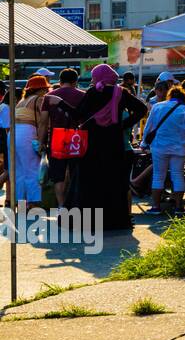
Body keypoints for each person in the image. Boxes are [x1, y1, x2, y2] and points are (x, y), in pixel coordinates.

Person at [63, 65, 147, 231]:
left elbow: (77, 115)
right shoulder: (121, 93)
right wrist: (121, 126)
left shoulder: (94, 92)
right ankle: (114, 221)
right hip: (114, 144)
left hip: (93, 144)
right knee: (114, 182)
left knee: (90, 182)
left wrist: (59, 103)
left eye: (94, 76)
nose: (93, 79)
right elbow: (142, 109)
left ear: (99, 77)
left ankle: (88, 222)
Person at [141, 85, 185, 215]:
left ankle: (156, 207)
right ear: (183, 98)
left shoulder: (157, 107)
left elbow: (148, 127)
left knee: (158, 176)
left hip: (159, 147)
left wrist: (144, 143)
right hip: (179, 147)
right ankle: (179, 207)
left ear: (170, 96)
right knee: (178, 175)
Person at [43, 68, 86, 209]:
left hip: (56, 138)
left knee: (58, 175)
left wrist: (41, 141)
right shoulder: (83, 95)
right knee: (76, 172)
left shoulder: (49, 96)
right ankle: (75, 205)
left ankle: (61, 206)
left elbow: (43, 122)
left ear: (60, 81)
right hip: (77, 138)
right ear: (76, 81)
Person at [10, 75, 51, 207]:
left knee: (19, 171)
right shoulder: (39, 99)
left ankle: (20, 203)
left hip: (13, 133)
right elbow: (44, 121)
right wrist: (42, 140)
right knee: (33, 169)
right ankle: (33, 203)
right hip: (27, 132)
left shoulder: (22, 101)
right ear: (42, 89)